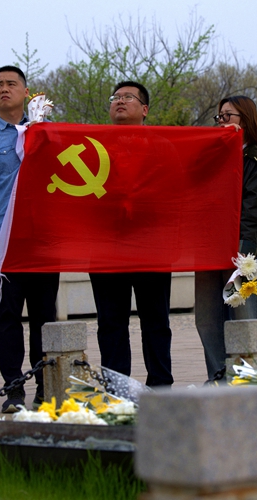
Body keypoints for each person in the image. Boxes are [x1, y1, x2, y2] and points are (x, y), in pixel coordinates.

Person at [0, 66, 60, 412]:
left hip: (43, 239)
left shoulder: (48, 133)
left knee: (44, 315)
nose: (4, 89)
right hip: (2, 239)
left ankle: (46, 388)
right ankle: (13, 391)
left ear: (27, 92)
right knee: (7, 315)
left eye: (11, 84)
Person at [88, 81, 174, 388]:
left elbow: (177, 189)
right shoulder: (93, 145)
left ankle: (161, 385)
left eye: (128, 97)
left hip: (152, 245)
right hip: (106, 246)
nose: (120, 102)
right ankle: (117, 388)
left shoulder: (164, 145)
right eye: (115, 98)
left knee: (156, 321)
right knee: (110, 322)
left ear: (145, 109)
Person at [194, 95, 257, 381]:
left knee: (243, 314)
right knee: (207, 317)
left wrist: (244, 254)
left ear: (246, 121)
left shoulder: (254, 161)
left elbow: (253, 213)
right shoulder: (210, 157)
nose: (223, 121)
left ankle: (251, 376)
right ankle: (217, 374)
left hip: (240, 250)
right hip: (208, 246)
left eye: (229, 116)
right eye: (220, 117)